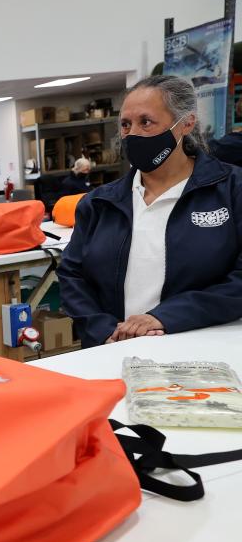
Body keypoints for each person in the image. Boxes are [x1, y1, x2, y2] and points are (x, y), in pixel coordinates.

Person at [58, 75, 242, 348]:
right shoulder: (100, 204)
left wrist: (165, 317)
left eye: (146, 122)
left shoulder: (231, 190)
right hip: (114, 348)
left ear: (186, 124)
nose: (132, 134)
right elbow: (72, 276)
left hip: (203, 346)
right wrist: (103, 331)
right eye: (125, 125)